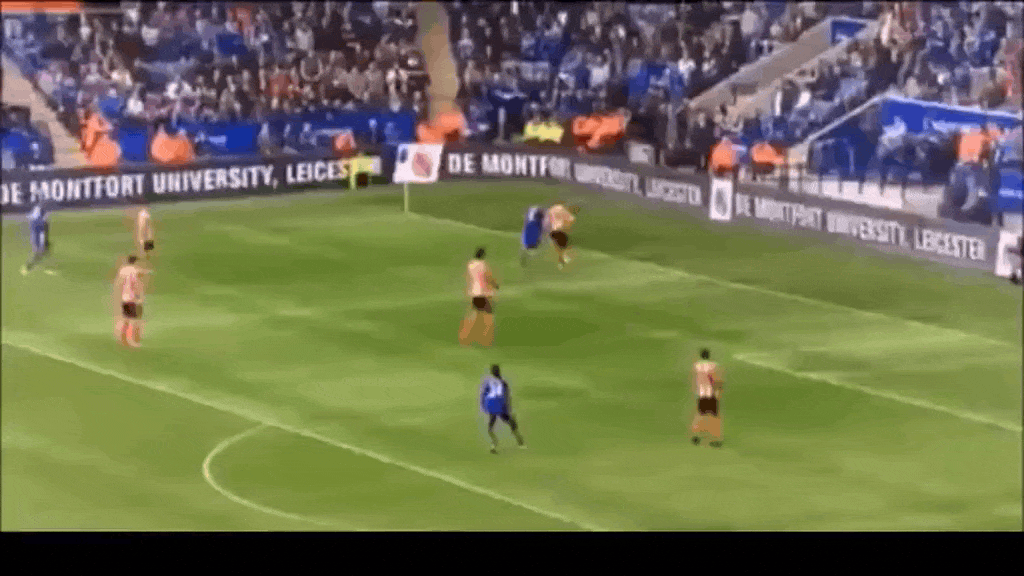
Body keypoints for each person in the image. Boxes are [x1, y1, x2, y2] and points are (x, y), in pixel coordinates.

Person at [480, 364, 526, 454]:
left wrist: (484, 406)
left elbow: (484, 395)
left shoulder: (488, 382)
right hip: (501, 407)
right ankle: (520, 443)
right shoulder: (503, 383)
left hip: (492, 408)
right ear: (499, 372)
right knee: (511, 423)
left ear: (492, 372)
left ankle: (493, 445)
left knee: (490, 428)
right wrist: (509, 409)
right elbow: (507, 397)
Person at [459, 247, 499, 347]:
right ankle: (487, 340)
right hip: (484, 294)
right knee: (489, 316)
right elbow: (488, 277)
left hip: (474, 293)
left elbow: (471, 278)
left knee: (474, 315)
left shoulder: (471, 264)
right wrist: (495, 285)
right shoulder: (483, 265)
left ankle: (464, 337)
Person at [114, 255, 151, 348]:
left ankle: (122, 339)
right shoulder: (134, 270)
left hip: (124, 298)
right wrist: (139, 297)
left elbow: (120, 283)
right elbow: (135, 284)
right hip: (132, 298)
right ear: (135, 262)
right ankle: (131, 341)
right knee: (132, 320)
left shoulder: (123, 270)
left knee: (125, 319)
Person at [691, 348, 725, 447]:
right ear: (709, 355)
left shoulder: (697, 365)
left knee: (701, 414)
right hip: (712, 394)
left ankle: (696, 436)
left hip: (701, 393)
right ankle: (715, 439)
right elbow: (716, 380)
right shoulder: (714, 366)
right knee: (714, 417)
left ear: (701, 355)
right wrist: (719, 390)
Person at [21, 201, 52, 276]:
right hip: (38, 235)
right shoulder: (41, 220)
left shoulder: (36, 215)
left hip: (36, 234)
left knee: (42, 252)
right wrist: (45, 241)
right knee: (39, 252)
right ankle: (28, 267)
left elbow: (31, 218)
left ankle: (46, 266)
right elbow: (44, 229)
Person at [546, 203, 579, 269]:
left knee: (560, 247)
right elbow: (571, 219)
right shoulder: (562, 209)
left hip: (552, 232)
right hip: (560, 231)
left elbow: (547, 221)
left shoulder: (551, 210)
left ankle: (561, 260)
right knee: (566, 245)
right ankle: (562, 260)